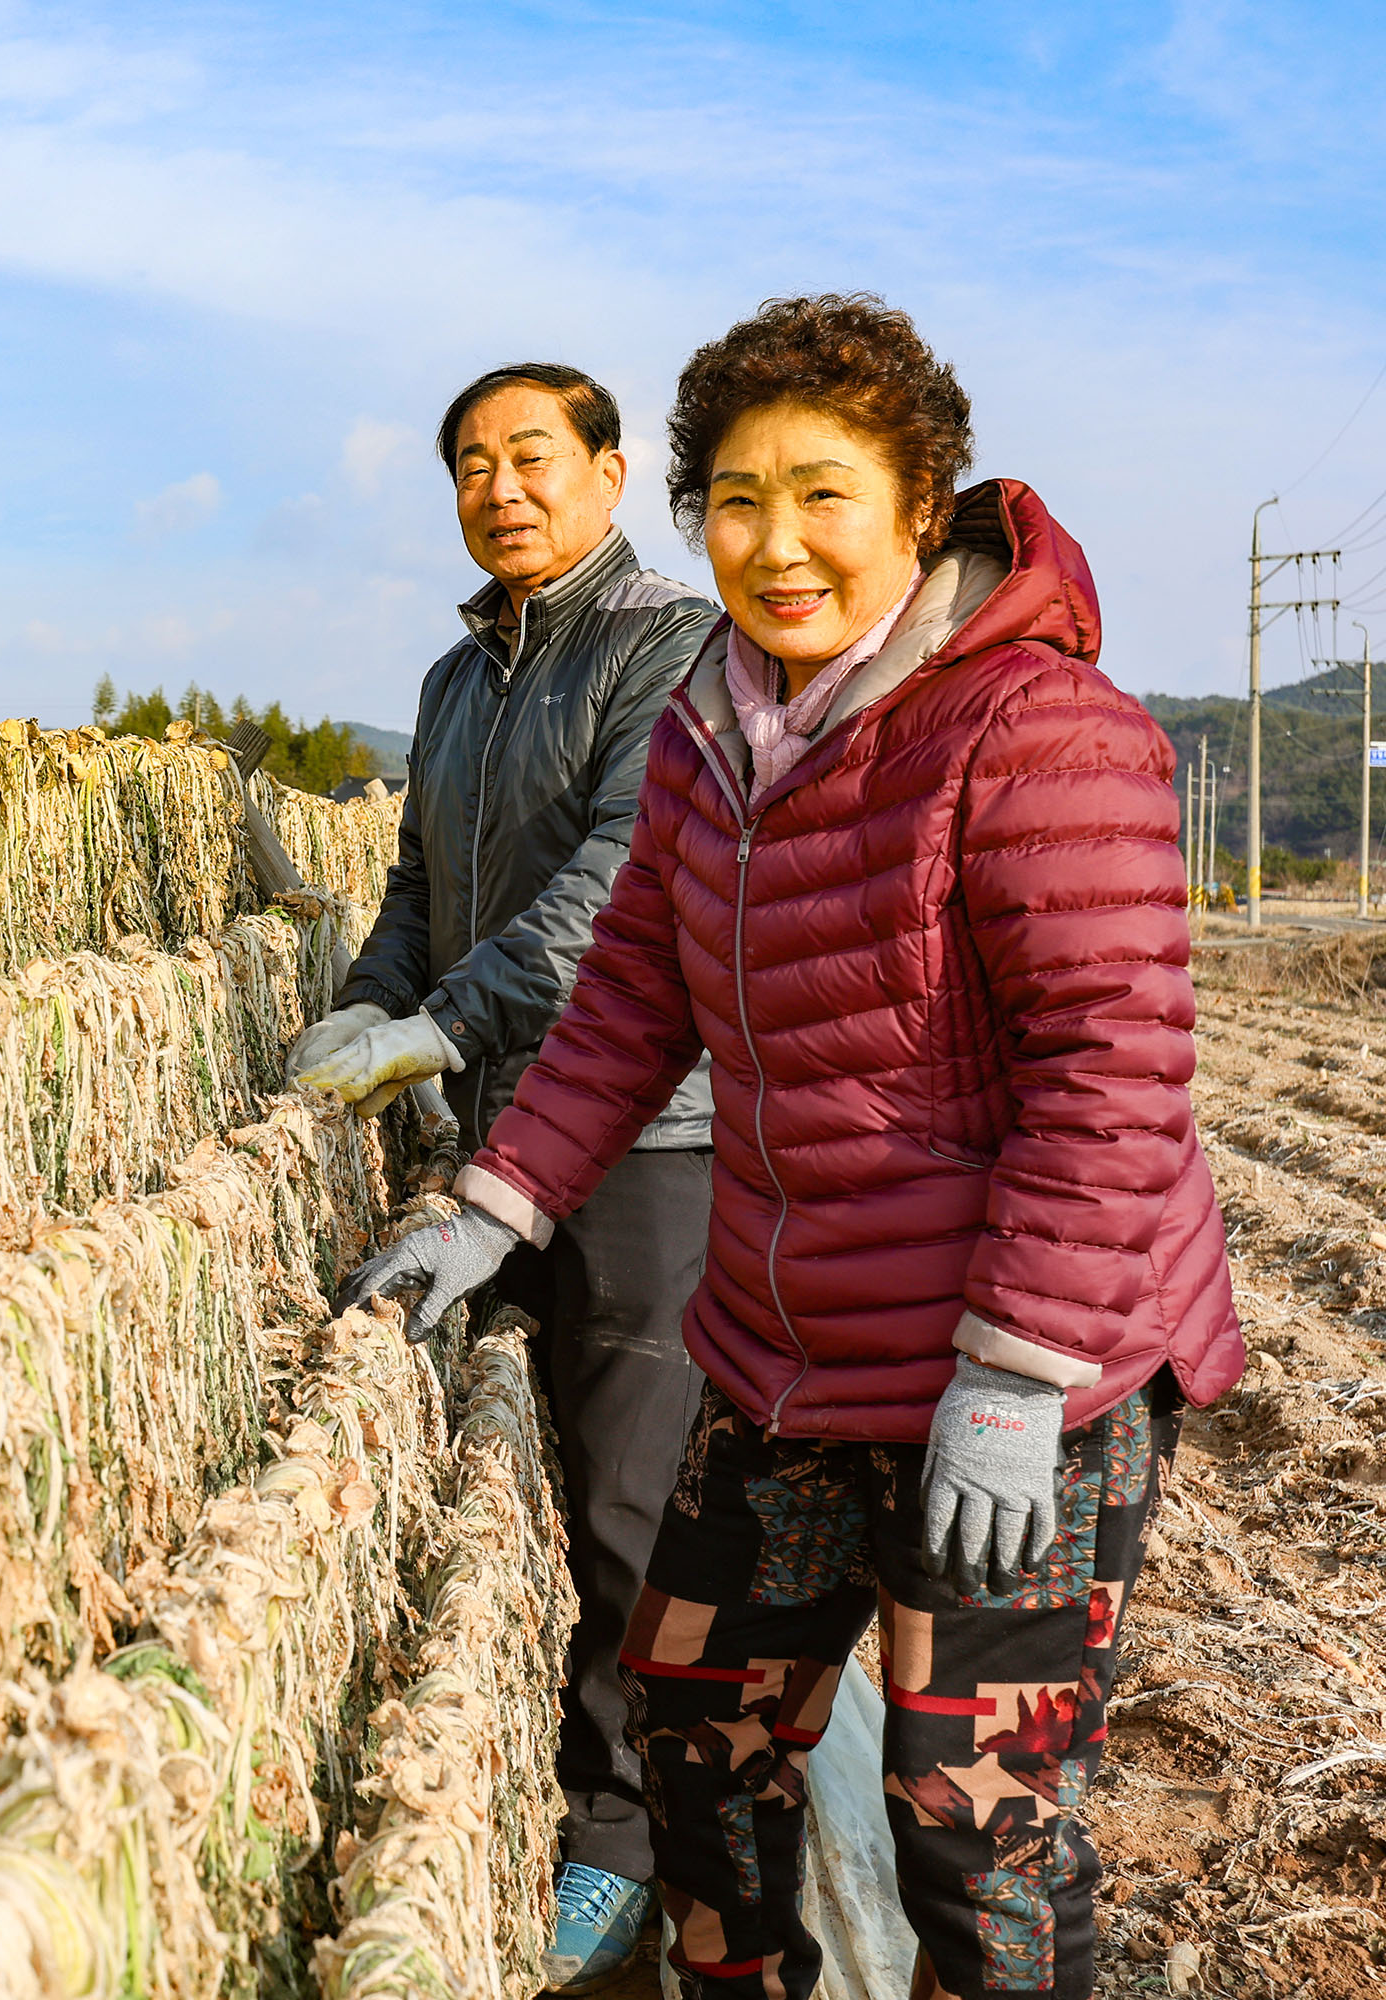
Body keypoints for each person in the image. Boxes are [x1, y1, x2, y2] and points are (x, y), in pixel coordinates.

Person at [343, 295, 1243, 2000]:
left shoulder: (1036, 730)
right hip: (797, 1344)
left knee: (969, 1819)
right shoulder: (709, 730)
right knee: (693, 1722)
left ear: (922, 502)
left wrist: (1015, 1371)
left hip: (1027, 1367)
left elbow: (1113, 1077)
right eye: (738, 500)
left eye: (824, 493)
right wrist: (496, 1200)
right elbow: (626, 1006)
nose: (777, 543)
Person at [286, 361, 720, 1989]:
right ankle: (546, 1781)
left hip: (647, 1139)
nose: (500, 488)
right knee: (522, 1466)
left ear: (609, 476)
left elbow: (623, 882)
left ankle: (621, 1847)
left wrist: (446, 1026)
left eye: (533, 456)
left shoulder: (666, 645)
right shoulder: (459, 677)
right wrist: (366, 1010)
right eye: (471, 464)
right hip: (503, 1142)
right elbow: (415, 881)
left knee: (627, 1504)